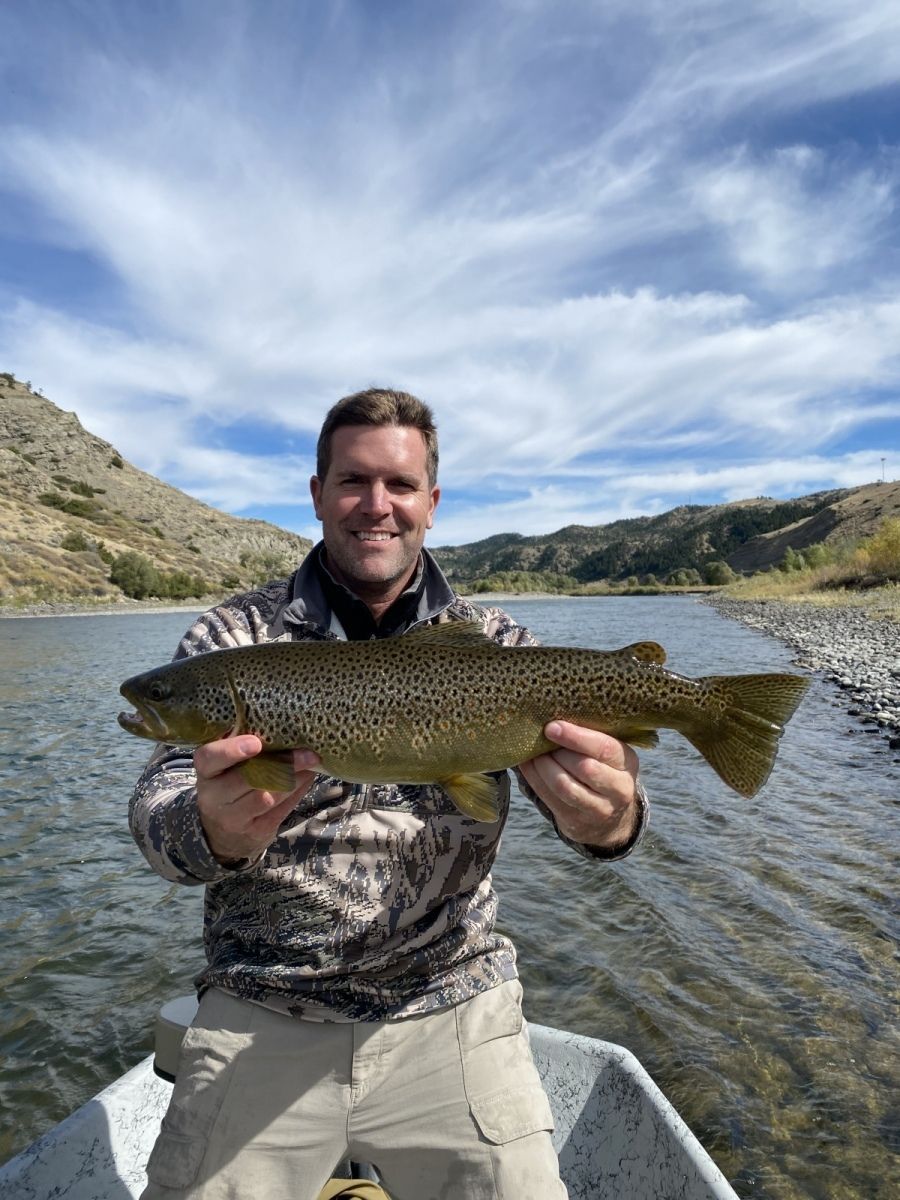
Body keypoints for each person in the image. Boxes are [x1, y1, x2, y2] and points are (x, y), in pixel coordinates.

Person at [129, 387, 648, 1200]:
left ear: (431, 503)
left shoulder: (499, 646)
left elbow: (600, 827)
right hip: (264, 1005)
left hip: (452, 997)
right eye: (353, 481)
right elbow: (156, 819)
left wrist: (613, 819)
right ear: (317, 495)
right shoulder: (233, 641)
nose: (377, 504)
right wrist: (210, 831)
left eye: (400, 485)